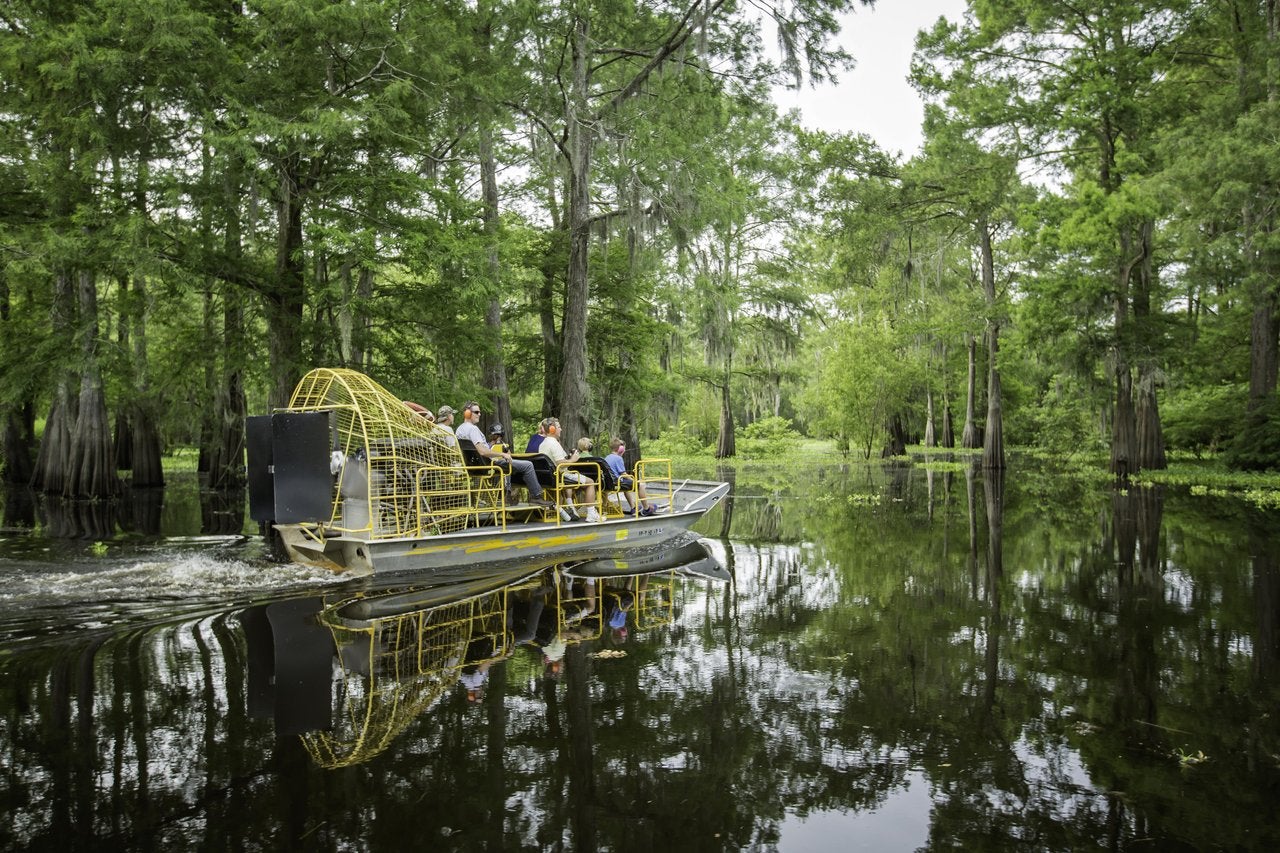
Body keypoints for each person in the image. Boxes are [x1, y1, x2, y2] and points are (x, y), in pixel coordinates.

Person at [455, 401, 553, 508]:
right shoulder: (473, 429)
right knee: (528, 465)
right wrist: (502, 454)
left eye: (479, 412)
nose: (479, 414)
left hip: (473, 466)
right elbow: (482, 451)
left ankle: (509, 494)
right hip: (489, 465)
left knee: (515, 465)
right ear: (467, 413)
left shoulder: (460, 429)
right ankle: (536, 497)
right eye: (476, 412)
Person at [539, 417, 600, 522]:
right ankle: (591, 514)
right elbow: (561, 463)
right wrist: (573, 459)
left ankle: (574, 508)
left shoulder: (543, 444)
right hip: (561, 476)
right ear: (552, 429)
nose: (561, 429)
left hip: (548, 477)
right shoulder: (554, 443)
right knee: (590, 482)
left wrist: (569, 458)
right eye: (559, 427)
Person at [605, 437, 657, 515]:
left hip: (609, 483)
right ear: (621, 449)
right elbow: (623, 474)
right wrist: (634, 480)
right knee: (641, 485)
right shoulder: (618, 458)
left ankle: (633, 508)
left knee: (626, 486)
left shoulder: (607, 457)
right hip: (616, 483)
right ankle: (647, 509)